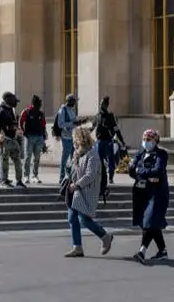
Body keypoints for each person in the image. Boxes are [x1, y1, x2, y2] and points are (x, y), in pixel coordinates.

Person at [64, 126, 113, 258]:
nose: (73, 141)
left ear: (81, 139)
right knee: (72, 218)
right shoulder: (76, 153)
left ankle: (105, 236)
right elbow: (69, 169)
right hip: (75, 191)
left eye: (75, 139)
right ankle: (77, 247)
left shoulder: (92, 154)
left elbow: (90, 174)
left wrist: (77, 184)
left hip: (86, 190)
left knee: (84, 219)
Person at [128, 129, 170, 264]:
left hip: (157, 193)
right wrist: (143, 173)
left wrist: (140, 171)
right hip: (142, 192)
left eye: (149, 139)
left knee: (149, 221)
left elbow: (158, 171)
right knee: (151, 222)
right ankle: (162, 251)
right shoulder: (140, 153)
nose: (146, 142)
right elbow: (131, 170)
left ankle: (142, 251)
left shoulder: (161, 154)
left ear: (155, 141)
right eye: (144, 139)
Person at [0, 92, 23, 188]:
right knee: (4, 161)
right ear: (9, 100)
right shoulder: (2, 111)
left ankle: (19, 181)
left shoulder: (10, 110)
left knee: (17, 160)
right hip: (5, 140)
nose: (15, 102)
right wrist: (1, 133)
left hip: (12, 139)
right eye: (14, 100)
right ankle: (3, 180)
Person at [92, 97, 122, 185]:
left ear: (106, 105)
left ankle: (111, 177)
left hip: (108, 141)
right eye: (100, 103)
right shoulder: (97, 116)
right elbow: (93, 127)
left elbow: (116, 129)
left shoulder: (110, 116)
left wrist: (121, 140)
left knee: (110, 160)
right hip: (99, 141)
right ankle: (101, 177)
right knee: (99, 161)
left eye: (102, 104)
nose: (100, 105)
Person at [19, 95, 47, 184]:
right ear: (34, 104)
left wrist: (44, 137)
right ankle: (26, 176)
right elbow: (21, 121)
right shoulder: (27, 111)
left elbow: (43, 125)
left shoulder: (41, 113)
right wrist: (23, 132)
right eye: (38, 103)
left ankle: (35, 175)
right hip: (29, 137)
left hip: (39, 137)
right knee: (28, 157)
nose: (40, 105)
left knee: (37, 157)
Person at [55, 95, 77, 182]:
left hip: (72, 137)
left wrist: (78, 122)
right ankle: (61, 178)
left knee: (73, 158)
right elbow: (60, 124)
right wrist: (71, 124)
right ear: (70, 101)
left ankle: (72, 176)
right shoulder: (62, 110)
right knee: (65, 157)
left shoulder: (71, 111)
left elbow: (73, 122)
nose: (75, 103)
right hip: (65, 136)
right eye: (74, 101)